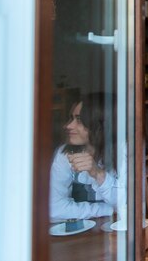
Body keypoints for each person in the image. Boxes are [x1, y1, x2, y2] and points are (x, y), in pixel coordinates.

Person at [49, 93, 120, 221]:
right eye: (71, 118)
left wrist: (98, 174)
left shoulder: (123, 152)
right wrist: (107, 210)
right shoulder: (64, 154)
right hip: (79, 235)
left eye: (79, 120)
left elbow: (131, 204)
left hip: (119, 234)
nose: (68, 126)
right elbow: (54, 209)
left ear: (100, 124)